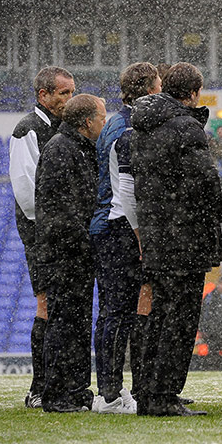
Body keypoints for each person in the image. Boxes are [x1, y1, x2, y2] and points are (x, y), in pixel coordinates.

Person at [131, 62, 222, 417]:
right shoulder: (187, 127)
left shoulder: (142, 125)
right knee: (181, 319)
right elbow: (205, 182)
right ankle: (165, 394)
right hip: (185, 238)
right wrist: (215, 212)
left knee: (159, 315)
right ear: (193, 93)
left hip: (157, 235)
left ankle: (149, 391)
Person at [89, 62, 162, 414]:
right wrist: (139, 235)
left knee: (115, 313)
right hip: (119, 225)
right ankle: (110, 395)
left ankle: (114, 391)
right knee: (118, 312)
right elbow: (126, 188)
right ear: (149, 88)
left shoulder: (117, 122)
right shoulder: (128, 127)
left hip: (111, 223)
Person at [9, 66, 75, 409]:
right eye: (62, 93)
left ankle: (63, 385)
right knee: (47, 304)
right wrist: (55, 228)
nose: (68, 99)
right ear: (43, 95)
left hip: (65, 233)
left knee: (64, 307)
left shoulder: (65, 130)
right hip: (43, 235)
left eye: (71, 92)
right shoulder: (27, 130)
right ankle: (39, 387)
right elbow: (27, 193)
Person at [35, 94, 106, 413]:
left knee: (76, 323)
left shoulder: (75, 147)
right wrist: (84, 240)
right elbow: (60, 209)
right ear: (88, 122)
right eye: (102, 118)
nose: (105, 123)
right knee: (64, 323)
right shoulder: (61, 149)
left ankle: (76, 390)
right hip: (64, 253)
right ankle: (57, 393)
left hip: (73, 252)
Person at [197, 275, 222, 370]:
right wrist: (203, 329)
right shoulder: (210, 296)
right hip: (212, 333)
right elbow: (203, 314)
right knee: (212, 356)